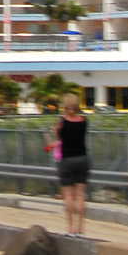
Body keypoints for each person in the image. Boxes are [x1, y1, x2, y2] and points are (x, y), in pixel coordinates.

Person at [49, 92, 91, 237]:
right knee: (80, 195)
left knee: (68, 195)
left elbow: (61, 140)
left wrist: (56, 131)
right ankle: (80, 228)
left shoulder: (62, 122)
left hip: (67, 160)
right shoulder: (84, 120)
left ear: (65, 106)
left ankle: (70, 228)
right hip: (82, 159)